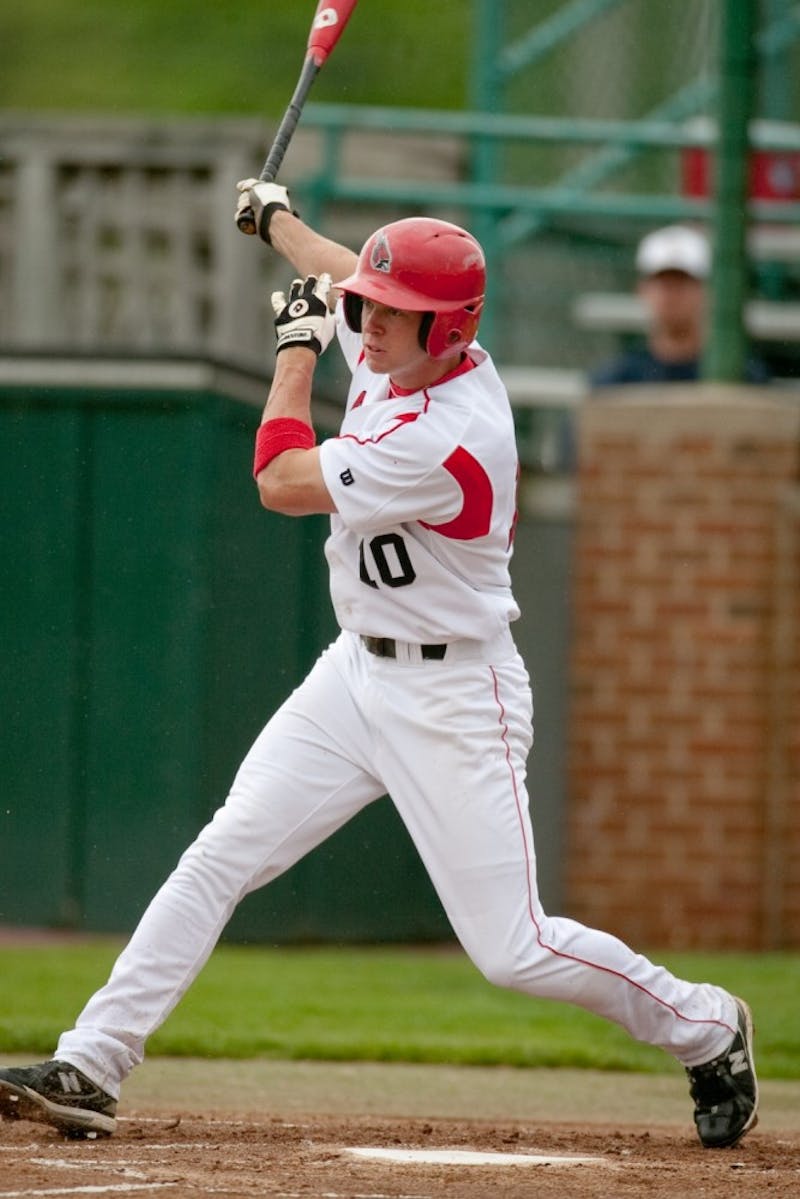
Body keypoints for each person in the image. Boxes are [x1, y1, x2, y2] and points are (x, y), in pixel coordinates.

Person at [0, 186, 757, 1150]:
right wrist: (275, 218)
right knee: (222, 852)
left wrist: (293, 350)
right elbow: (333, 264)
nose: (373, 323)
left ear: (451, 329)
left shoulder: (449, 432)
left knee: (512, 948)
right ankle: (92, 1061)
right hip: (355, 674)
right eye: (368, 306)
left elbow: (279, 481)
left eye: (396, 314)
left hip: (454, 694)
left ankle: (706, 1022)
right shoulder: (396, 332)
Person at [590, 223, 771, 386]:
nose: (671, 294)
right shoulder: (616, 380)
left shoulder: (741, 376)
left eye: (682, 282)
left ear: (708, 290)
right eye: (662, 282)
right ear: (642, 290)